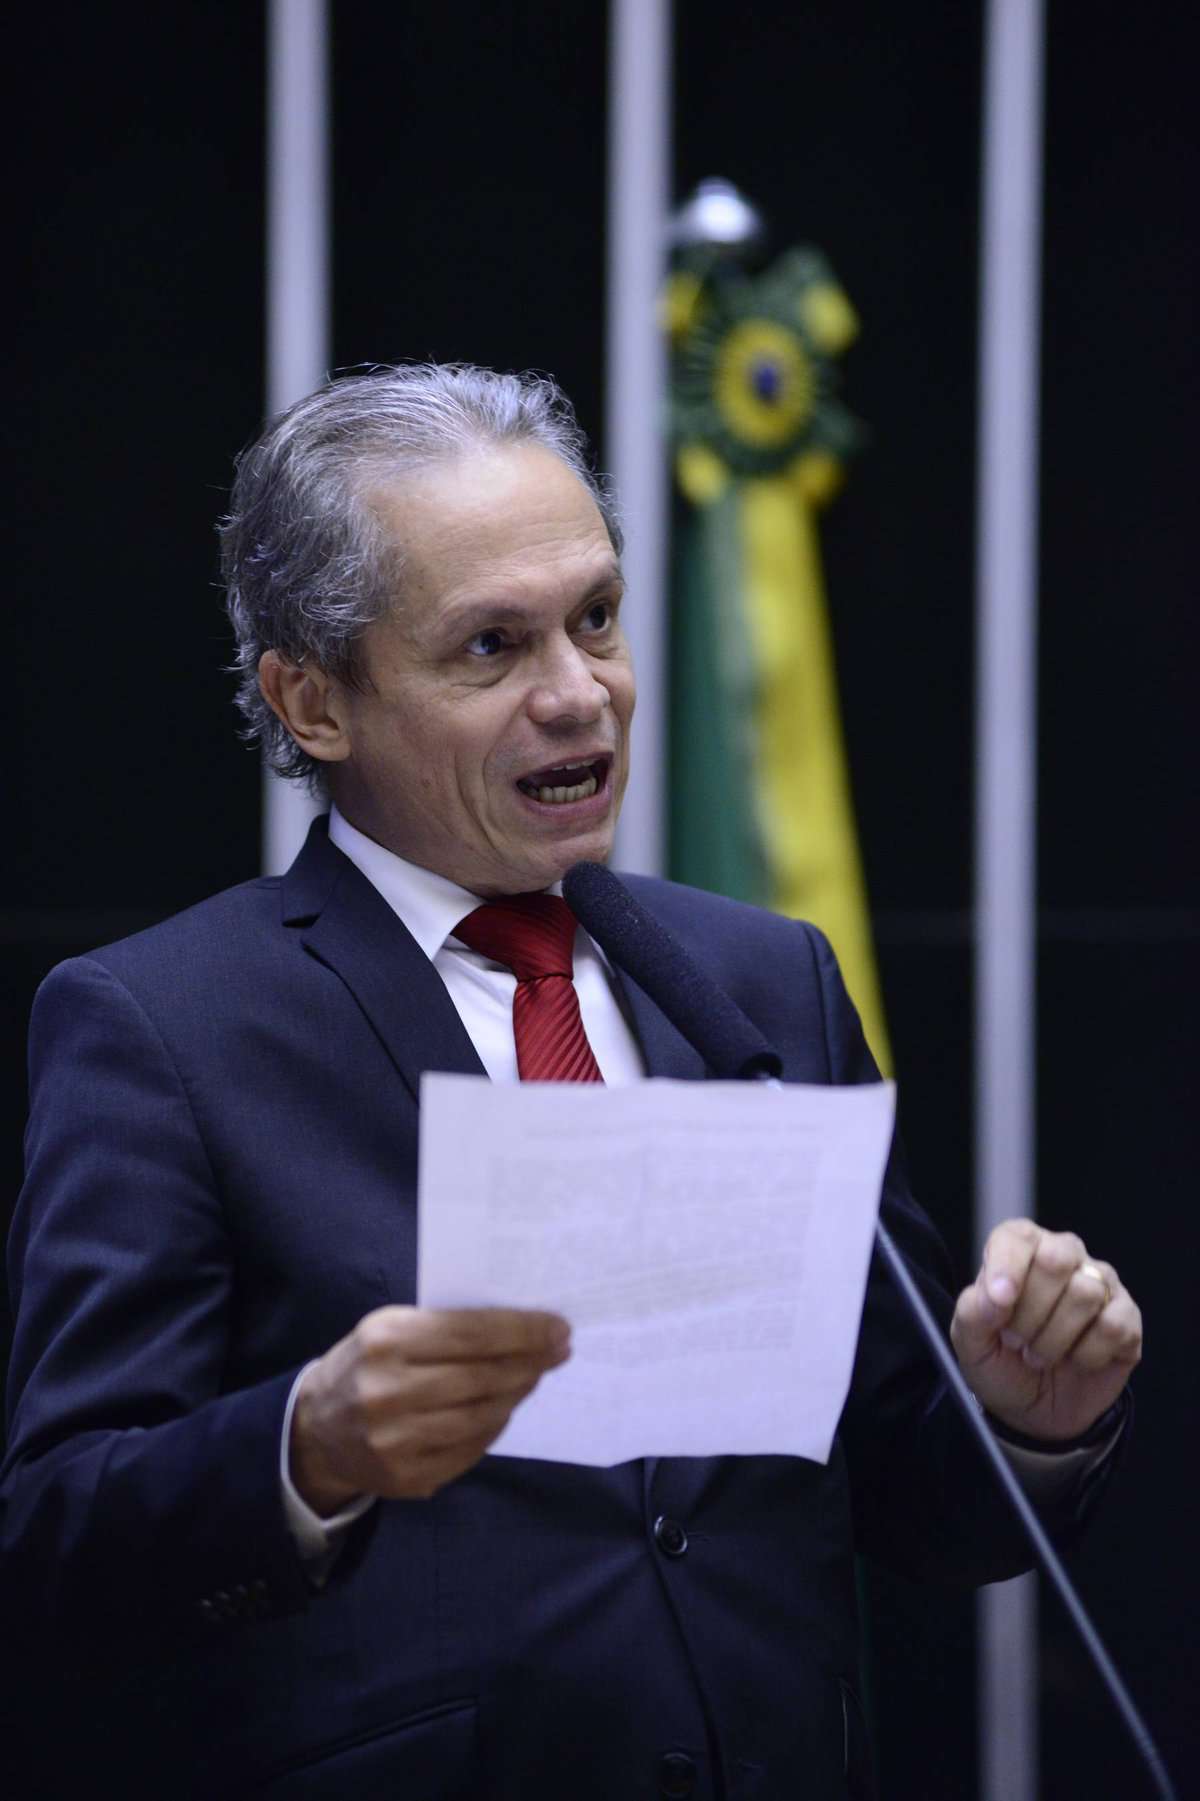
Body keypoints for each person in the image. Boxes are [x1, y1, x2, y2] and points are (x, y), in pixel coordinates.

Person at [2, 364, 1141, 1800]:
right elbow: (57, 1535)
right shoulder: (164, 1026)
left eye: (596, 617)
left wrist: (1029, 1414)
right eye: (492, 646)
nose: (579, 693)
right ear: (315, 701)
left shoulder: (761, 980)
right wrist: (306, 1448)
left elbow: (917, 1505)